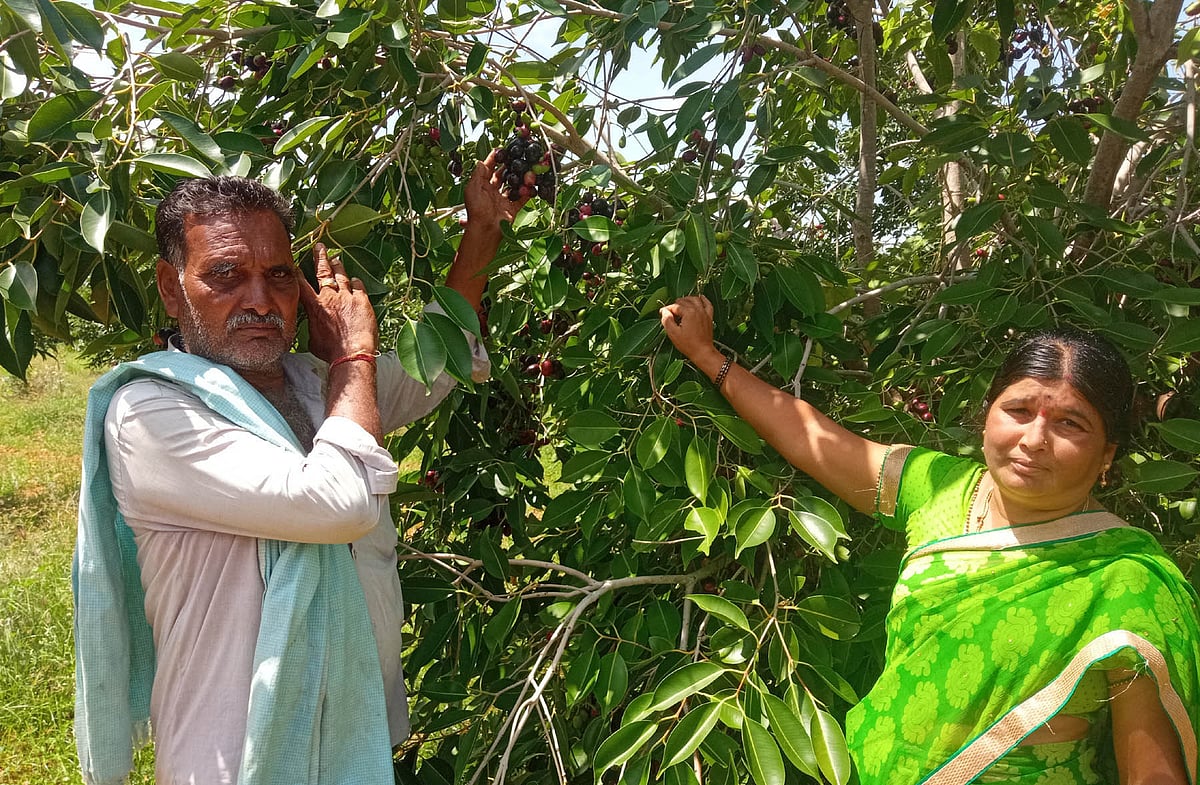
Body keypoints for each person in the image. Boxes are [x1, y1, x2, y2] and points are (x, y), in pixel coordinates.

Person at [74, 160, 525, 785]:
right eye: (225, 275)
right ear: (171, 288)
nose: (258, 300)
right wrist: (352, 354)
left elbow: (432, 370)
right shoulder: (150, 413)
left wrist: (481, 233)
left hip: (349, 720)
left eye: (278, 276)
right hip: (232, 750)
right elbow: (335, 503)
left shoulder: (313, 383)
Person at [659, 295, 1200, 785]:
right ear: (987, 415)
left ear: (1106, 455)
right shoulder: (939, 489)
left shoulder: (1128, 581)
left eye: (1071, 424)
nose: (1034, 440)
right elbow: (812, 439)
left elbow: (1152, 773)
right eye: (1018, 411)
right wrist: (710, 359)